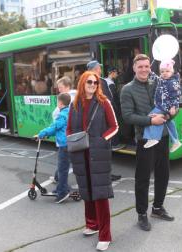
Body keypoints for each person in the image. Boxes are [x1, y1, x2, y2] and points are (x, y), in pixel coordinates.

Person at [120, 54, 174, 232]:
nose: (144, 69)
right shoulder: (127, 89)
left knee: (163, 174)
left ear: (150, 67)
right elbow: (127, 117)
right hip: (145, 138)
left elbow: (173, 104)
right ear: (134, 68)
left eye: (146, 66)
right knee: (142, 178)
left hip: (163, 136)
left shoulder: (159, 82)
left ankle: (158, 208)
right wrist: (151, 121)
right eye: (140, 66)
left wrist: (169, 114)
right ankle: (142, 213)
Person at [67, 71, 118, 251]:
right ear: (82, 83)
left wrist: (102, 140)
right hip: (81, 155)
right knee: (87, 191)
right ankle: (92, 224)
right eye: (89, 82)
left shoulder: (104, 103)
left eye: (95, 83)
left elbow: (114, 126)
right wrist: (71, 142)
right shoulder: (75, 105)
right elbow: (68, 129)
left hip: (99, 154)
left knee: (100, 195)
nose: (92, 85)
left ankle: (105, 235)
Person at [87, 60, 122, 181]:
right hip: (103, 120)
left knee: (96, 149)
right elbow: (108, 100)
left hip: (92, 120)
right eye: (99, 68)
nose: (100, 70)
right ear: (96, 69)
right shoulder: (99, 81)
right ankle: (105, 174)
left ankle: (98, 173)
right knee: (105, 148)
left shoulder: (84, 81)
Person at [35, 93, 71, 203]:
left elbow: (54, 127)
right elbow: (60, 129)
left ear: (60, 103)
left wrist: (41, 133)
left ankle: (63, 193)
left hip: (64, 145)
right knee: (62, 169)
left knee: (62, 170)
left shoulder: (62, 115)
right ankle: (61, 188)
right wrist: (47, 135)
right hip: (66, 144)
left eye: (57, 102)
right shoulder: (68, 111)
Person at [143, 59, 182, 152]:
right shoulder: (162, 79)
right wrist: (150, 72)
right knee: (169, 123)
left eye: (167, 71)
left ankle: (153, 138)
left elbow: (176, 95)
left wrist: (174, 107)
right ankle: (175, 141)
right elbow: (156, 78)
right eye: (162, 71)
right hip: (163, 105)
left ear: (172, 72)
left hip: (164, 106)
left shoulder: (172, 82)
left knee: (151, 118)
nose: (164, 73)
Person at [50, 76, 77, 184]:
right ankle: (58, 178)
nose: (59, 90)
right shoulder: (75, 96)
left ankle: (62, 188)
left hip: (65, 136)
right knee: (66, 160)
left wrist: (44, 133)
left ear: (67, 87)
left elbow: (57, 117)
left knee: (64, 160)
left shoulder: (67, 99)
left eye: (60, 87)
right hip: (72, 135)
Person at [104, 66, 125, 150]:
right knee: (115, 125)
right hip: (113, 108)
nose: (117, 74)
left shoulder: (105, 81)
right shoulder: (111, 84)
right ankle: (115, 144)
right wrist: (118, 110)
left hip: (109, 107)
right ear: (111, 73)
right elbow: (114, 98)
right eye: (116, 72)